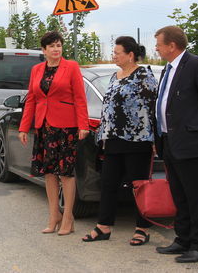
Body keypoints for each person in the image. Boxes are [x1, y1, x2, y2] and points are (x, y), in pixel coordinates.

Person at [154, 26, 198, 263]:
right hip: (170, 141)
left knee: (196, 196)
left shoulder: (197, 65)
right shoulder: (168, 68)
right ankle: (183, 239)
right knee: (179, 194)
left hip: (192, 142)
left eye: (159, 44)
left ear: (172, 45)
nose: (156, 47)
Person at [82, 36, 157, 245]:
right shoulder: (115, 76)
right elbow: (109, 108)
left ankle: (142, 228)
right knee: (108, 184)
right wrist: (104, 135)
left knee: (138, 184)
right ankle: (103, 227)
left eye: (117, 53)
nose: (113, 55)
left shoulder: (144, 75)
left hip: (138, 139)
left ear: (130, 55)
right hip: (114, 139)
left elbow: (153, 108)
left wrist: (155, 139)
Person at [18, 31, 89, 236]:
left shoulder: (72, 67)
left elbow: (80, 98)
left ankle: (68, 217)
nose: (56, 49)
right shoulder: (37, 69)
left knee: (66, 173)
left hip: (67, 127)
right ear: (44, 50)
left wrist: (83, 124)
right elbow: (32, 99)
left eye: (59, 45)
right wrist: (24, 127)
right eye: (52, 46)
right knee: (49, 172)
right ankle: (53, 216)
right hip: (44, 127)